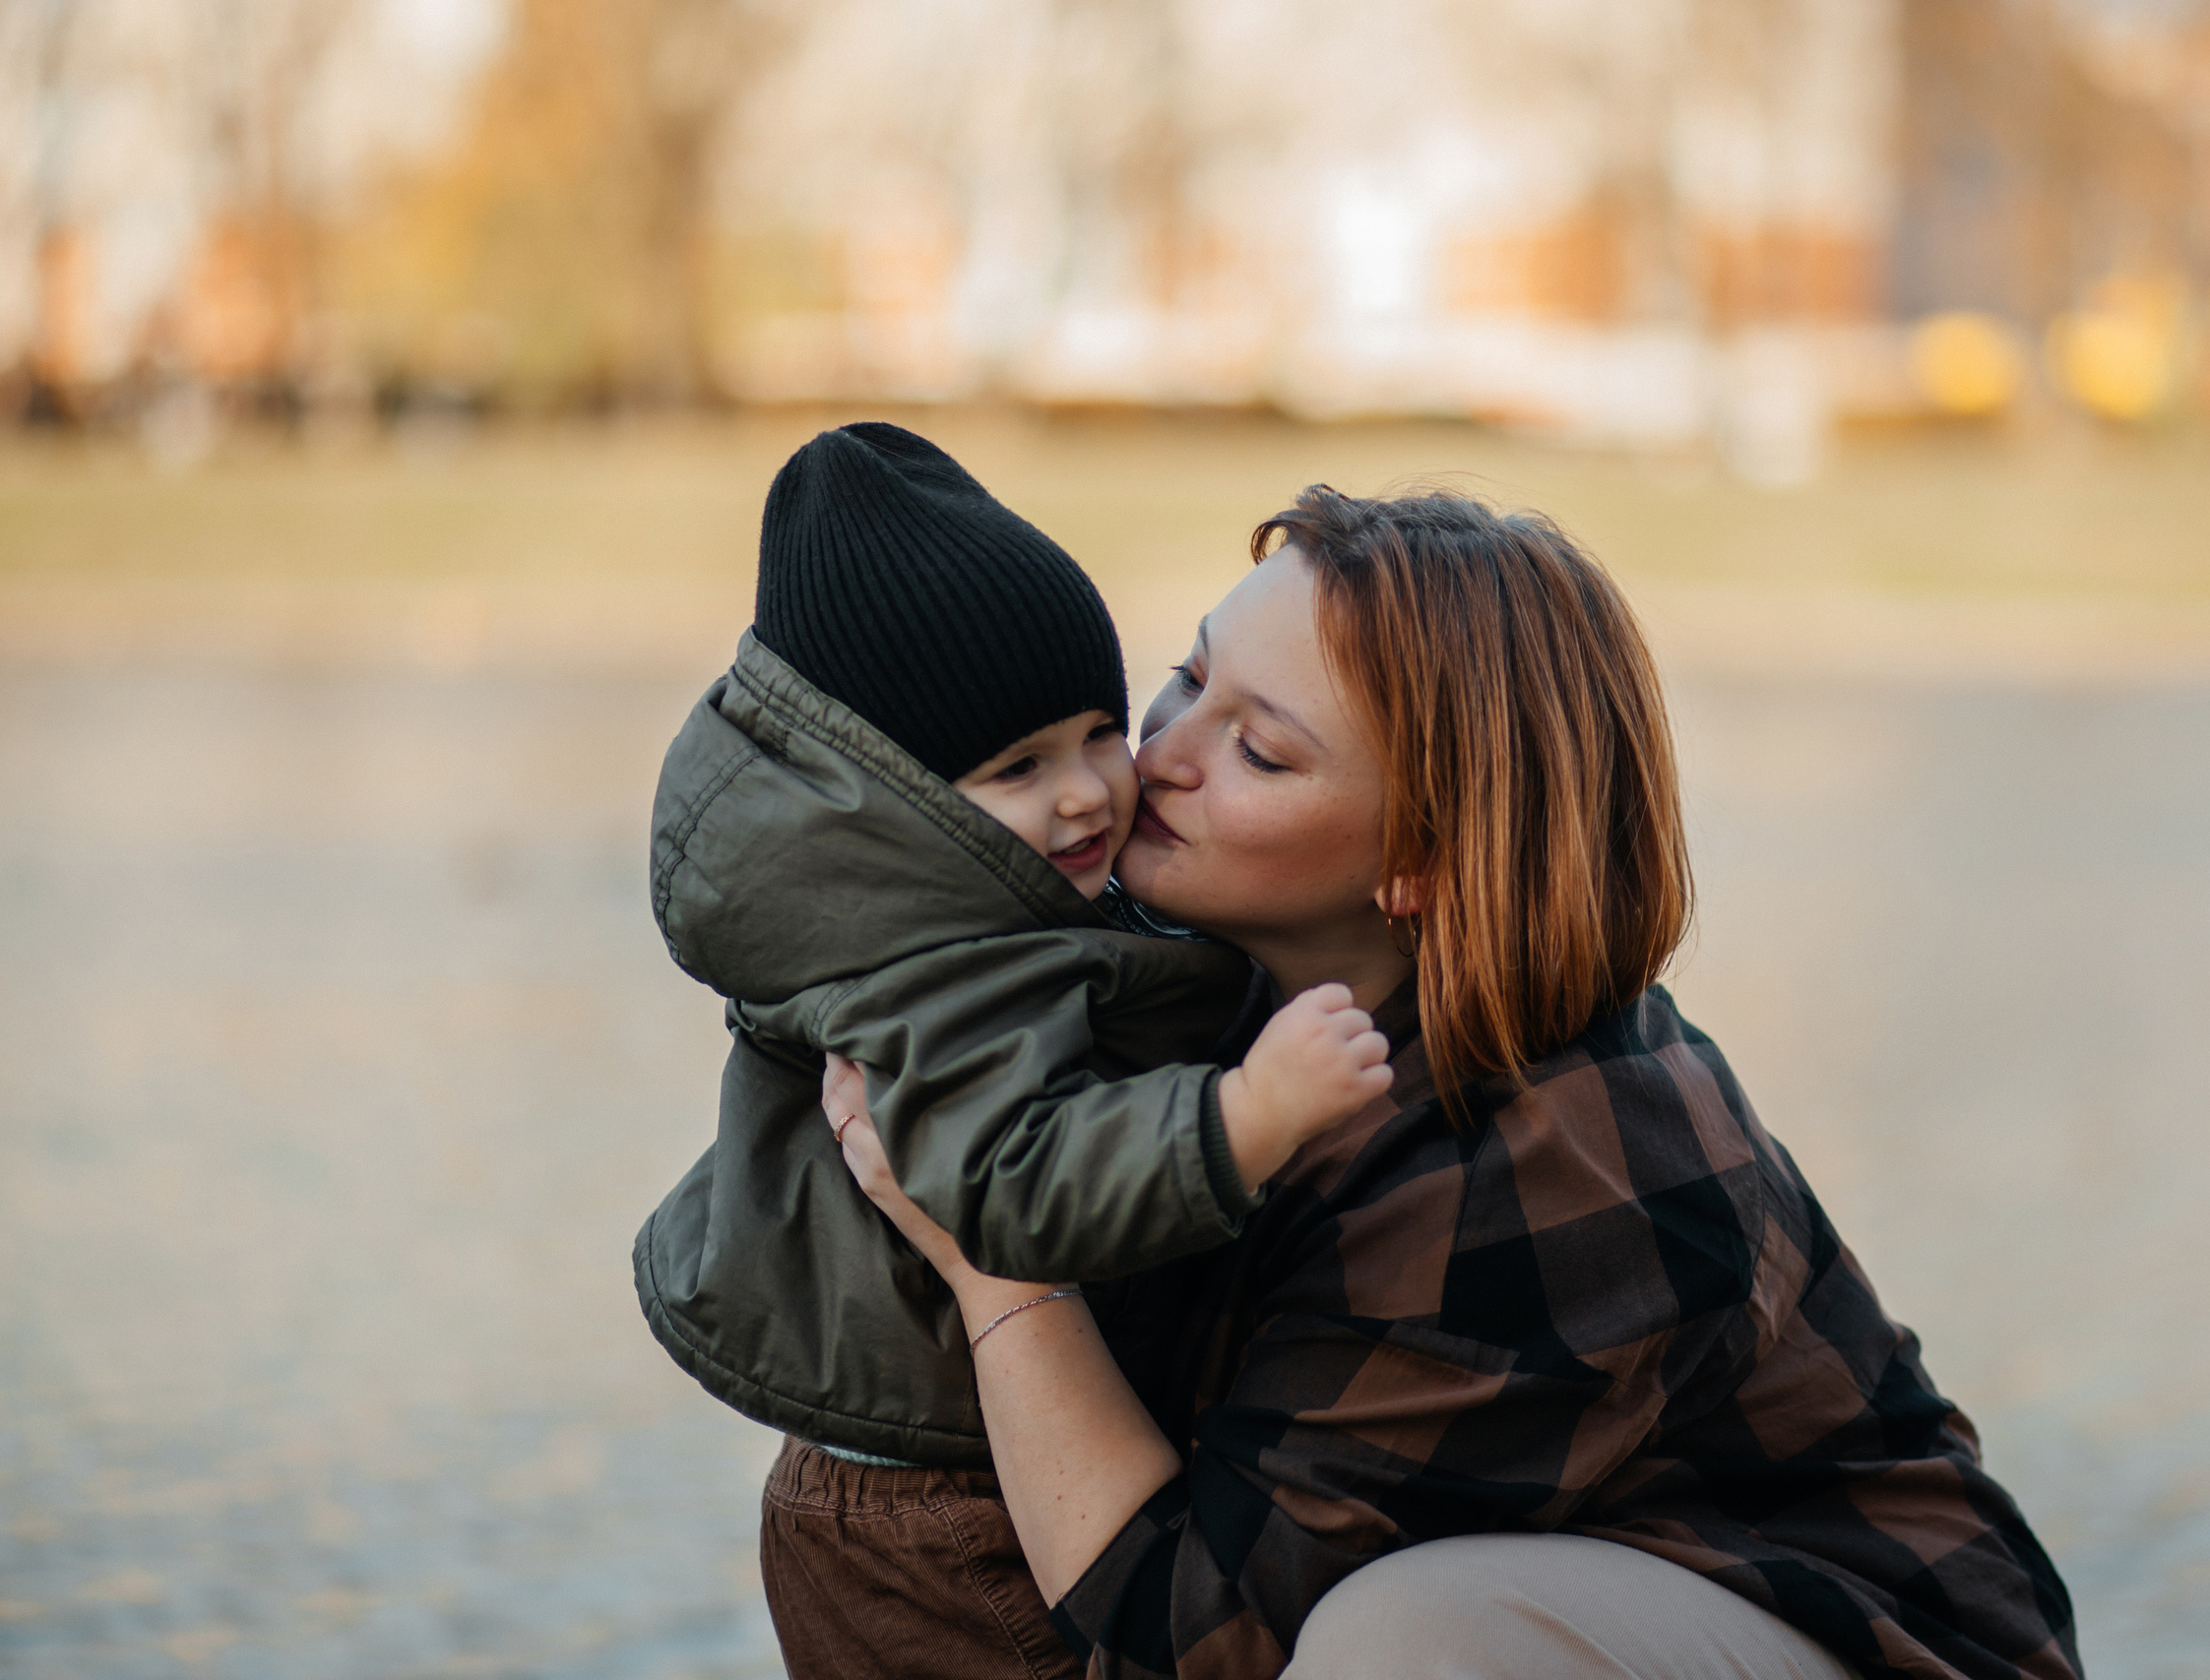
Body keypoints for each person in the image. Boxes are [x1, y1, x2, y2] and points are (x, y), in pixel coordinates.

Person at [821, 485, 2082, 1680]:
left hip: (1863, 1649)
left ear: (1418, 865)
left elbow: (1195, 1648)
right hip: (1565, 1590)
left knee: (1403, 1642)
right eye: (1189, 677)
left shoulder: (1549, 1158)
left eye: (1258, 749)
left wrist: (994, 1257)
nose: (1158, 757)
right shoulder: (1219, 975)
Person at [633, 424, 1388, 1670]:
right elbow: (1008, 1181)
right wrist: (1248, 1112)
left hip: (953, 1465)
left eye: (1099, 727)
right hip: (934, 1520)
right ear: (908, 806)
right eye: (1017, 768)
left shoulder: (976, 901)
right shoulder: (933, 975)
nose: (1092, 789)